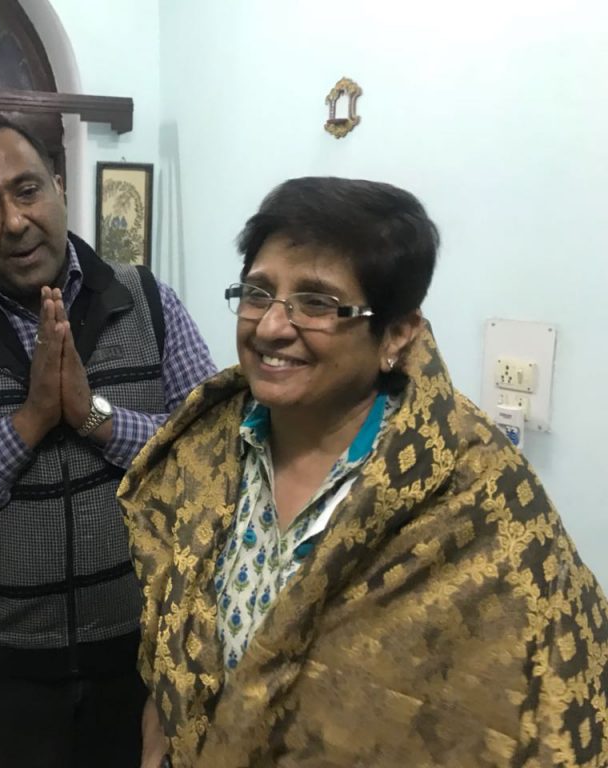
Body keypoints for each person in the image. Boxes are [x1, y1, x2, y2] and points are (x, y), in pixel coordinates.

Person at [118, 177, 608, 767]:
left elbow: (547, 709)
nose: (272, 326)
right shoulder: (202, 449)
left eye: (318, 303)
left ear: (396, 335)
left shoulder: (476, 495)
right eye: (258, 292)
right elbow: (170, 653)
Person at [0, 112, 217, 767]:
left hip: (141, 646)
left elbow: (219, 458)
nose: (14, 221)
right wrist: (27, 422)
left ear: (58, 184)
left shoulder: (148, 301)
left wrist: (94, 417)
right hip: (4, 666)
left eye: (27, 190)